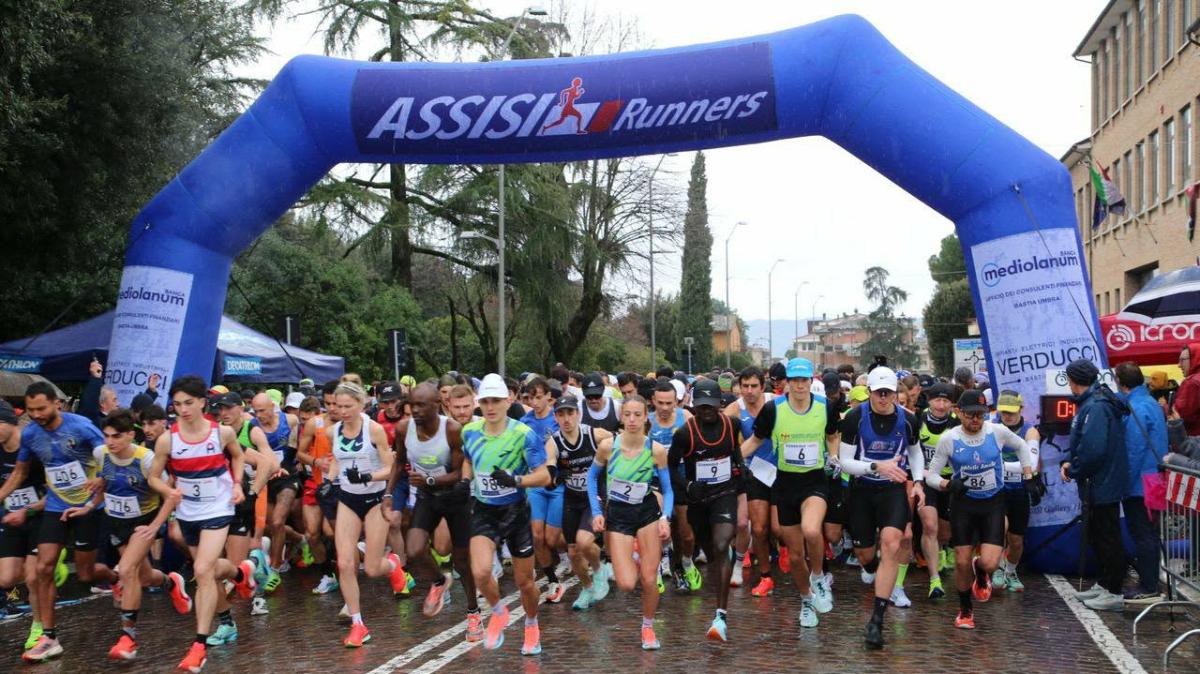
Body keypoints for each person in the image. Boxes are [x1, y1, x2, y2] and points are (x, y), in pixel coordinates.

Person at [148, 375, 257, 673]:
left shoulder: (221, 434)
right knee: (209, 571)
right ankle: (239, 576)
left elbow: (237, 458)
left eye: (189, 403)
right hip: (188, 513)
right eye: (178, 404)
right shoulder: (167, 439)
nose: (183, 409)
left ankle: (198, 645)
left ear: (202, 403)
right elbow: (153, 476)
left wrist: (236, 485)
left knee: (201, 570)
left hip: (219, 507)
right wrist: (167, 490)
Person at [0, 382, 106, 662]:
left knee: (86, 574)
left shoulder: (81, 427)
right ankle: (49, 636)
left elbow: (109, 457)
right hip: (54, 507)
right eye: (31, 409)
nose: (35, 414)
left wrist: (101, 479)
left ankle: (116, 579)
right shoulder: (31, 434)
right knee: (44, 568)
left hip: (87, 506)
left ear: (56, 404)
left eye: (41, 408)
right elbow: (20, 472)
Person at [740, 357, 839, 629]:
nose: (799, 385)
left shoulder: (825, 407)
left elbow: (832, 435)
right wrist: (732, 459)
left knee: (811, 530)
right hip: (785, 485)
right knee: (795, 556)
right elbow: (756, 440)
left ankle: (818, 577)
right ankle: (806, 600)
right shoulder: (773, 409)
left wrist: (833, 456)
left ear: (811, 380)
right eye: (794, 380)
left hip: (815, 482)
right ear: (786, 383)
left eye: (803, 379)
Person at [926, 389, 1035, 631]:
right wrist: (947, 484)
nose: (976, 420)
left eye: (980, 415)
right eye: (970, 415)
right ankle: (965, 610)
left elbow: (1022, 446)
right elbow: (931, 475)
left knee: (990, 562)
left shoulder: (996, 432)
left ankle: (983, 571)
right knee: (962, 562)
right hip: (963, 505)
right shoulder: (949, 439)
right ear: (959, 413)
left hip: (993, 503)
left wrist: (1029, 475)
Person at [461, 373, 551, 655]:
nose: (490, 407)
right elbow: (468, 460)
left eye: (496, 401)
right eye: (485, 401)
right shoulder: (470, 432)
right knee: (480, 571)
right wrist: (466, 482)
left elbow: (545, 476)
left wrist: (516, 480)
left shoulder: (523, 435)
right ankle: (498, 611)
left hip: (516, 512)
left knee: (526, 583)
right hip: (484, 510)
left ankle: (532, 623)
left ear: (508, 400)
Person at [93, 409, 191, 661]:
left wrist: (156, 524)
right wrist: (88, 504)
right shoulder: (100, 453)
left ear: (130, 435)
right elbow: (106, 483)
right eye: (106, 436)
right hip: (117, 522)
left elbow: (171, 494)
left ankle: (128, 638)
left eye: (116, 436)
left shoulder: (146, 458)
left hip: (144, 521)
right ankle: (171, 582)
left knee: (126, 570)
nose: (110, 441)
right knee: (144, 575)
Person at [837, 366, 925, 648]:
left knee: (891, 544)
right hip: (862, 491)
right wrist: (876, 466)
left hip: (892, 492)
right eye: (879, 393)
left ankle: (877, 620)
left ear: (896, 394)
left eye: (888, 393)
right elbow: (845, 462)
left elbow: (915, 452)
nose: (884, 398)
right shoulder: (854, 418)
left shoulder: (909, 420)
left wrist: (919, 481)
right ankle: (872, 568)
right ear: (871, 393)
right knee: (865, 555)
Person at [386, 383, 480, 639]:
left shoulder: (451, 430)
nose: (414, 410)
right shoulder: (404, 429)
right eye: (411, 405)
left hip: (455, 498)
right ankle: (439, 581)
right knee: (414, 549)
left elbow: (459, 474)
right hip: (428, 497)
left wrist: (429, 480)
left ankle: (473, 613)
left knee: (462, 562)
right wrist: (388, 493)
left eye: (420, 405)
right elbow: (399, 462)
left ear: (436, 405)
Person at [322, 381, 407, 647]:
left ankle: (392, 565)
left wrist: (368, 476)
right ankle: (358, 624)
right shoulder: (332, 431)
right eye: (338, 406)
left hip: (374, 500)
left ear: (361, 405)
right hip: (348, 499)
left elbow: (391, 469)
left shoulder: (375, 430)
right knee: (345, 563)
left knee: (371, 568)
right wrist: (330, 479)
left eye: (348, 406)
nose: (343, 411)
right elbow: (336, 458)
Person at [587, 394, 673, 650]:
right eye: (628, 415)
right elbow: (591, 480)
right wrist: (596, 511)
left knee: (649, 579)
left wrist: (665, 518)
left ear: (646, 417)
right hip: (619, 516)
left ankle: (647, 626)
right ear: (621, 417)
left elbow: (668, 490)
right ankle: (634, 555)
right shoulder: (608, 447)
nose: (633, 420)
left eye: (638, 415)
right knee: (626, 584)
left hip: (646, 512)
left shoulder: (654, 450)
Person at [670, 379, 744, 642]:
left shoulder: (731, 425)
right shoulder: (684, 434)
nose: (706, 411)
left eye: (710, 406)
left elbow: (735, 452)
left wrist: (740, 472)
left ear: (719, 405)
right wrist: (688, 485)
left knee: (722, 544)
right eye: (701, 407)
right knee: (712, 553)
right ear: (694, 406)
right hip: (698, 502)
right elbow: (671, 467)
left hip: (725, 494)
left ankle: (720, 616)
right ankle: (724, 559)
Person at [1059, 359, 1130, 612]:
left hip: (1102, 483)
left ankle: (1113, 590)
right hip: (1097, 482)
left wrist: (1074, 468)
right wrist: (1070, 460)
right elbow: (1083, 444)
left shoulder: (1097, 407)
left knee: (1107, 536)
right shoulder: (1090, 404)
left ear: (1074, 380)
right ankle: (1104, 583)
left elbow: (1093, 449)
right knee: (1098, 536)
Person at [550, 393, 612, 610]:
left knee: (585, 541)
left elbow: (621, 445)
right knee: (574, 551)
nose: (566, 419)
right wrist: (554, 476)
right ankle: (587, 588)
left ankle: (598, 568)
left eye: (570, 413)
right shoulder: (554, 442)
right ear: (556, 417)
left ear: (578, 414)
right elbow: (548, 464)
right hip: (572, 498)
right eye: (561, 414)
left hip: (593, 497)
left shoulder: (595, 435)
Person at [1113, 361, 1167, 604]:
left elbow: (1133, 450)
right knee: (1150, 533)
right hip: (1155, 479)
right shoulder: (1151, 402)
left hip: (1140, 483)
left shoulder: (1136, 407)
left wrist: (1123, 483)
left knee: (1143, 533)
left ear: (1121, 384)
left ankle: (1149, 586)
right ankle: (1150, 581)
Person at [518, 376, 568, 603]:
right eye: (531, 398)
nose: (535, 402)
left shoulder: (559, 419)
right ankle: (552, 580)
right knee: (537, 536)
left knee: (552, 538)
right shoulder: (524, 422)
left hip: (557, 486)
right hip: (536, 486)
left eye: (539, 397)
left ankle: (573, 552)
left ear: (549, 396)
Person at [723, 366, 773, 593]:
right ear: (739, 388)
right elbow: (721, 436)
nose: (750, 391)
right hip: (753, 472)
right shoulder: (735, 409)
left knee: (780, 530)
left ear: (763, 387)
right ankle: (761, 573)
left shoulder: (776, 404)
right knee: (758, 528)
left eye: (754, 386)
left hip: (782, 471)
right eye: (745, 386)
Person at [0, 399, 45, 647]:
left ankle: (39, 626)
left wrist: (28, 511)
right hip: (12, 518)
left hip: (40, 517)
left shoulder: (33, 449)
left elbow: (57, 493)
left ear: (8, 423)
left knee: (32, 578)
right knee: (6, 579)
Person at [990, 391, 1042, 593]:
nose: (1008, 416)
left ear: (1021, 409)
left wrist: (1000, 465)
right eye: (1004, 412)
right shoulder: (991, 427)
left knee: (1016, 540)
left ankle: (1011, 571)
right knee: (999, 529)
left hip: (1019, 490)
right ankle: (997, 568)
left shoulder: (1030, 432)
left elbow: (1032, 464)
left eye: (1012, 412)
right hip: (996, 490)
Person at [249, 392, 301, 593]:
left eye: (263, 410)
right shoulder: (252, 426)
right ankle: (300, 540)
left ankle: (275, 568)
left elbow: (296, 445)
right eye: (256, 411)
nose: (259, 414)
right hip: (266, 479)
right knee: (271, 526)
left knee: (278, 521)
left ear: (273, 407)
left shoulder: (290, 420)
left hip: (287, 475)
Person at [915, 383, 958, 597]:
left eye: (946, 401)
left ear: (952, 403)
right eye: (937, 400)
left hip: (949, 481)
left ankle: (942, 547)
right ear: (929, 400)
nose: (941, 405)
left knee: (945, 531)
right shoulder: (917, 419)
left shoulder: (958, 423)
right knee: (929, 526)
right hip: (925, 479)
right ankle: (935, 581)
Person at [650, 378, 694, 592]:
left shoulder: (685, 417)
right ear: (653, 401)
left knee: (686, 535)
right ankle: (663, 564)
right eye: (661, 403)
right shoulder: (647, 422)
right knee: (661, 525)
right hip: (657, 481)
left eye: (670, 403)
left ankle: (685, 562)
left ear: (676, 402)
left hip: (681, 479)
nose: (666, 408)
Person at [297, 383, 340, 596]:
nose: (332, 408)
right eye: (328, 403)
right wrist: (316, 461)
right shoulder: (315, 424)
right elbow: (300, 453)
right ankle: (327, 574)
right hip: (316, 484)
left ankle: (344, 568)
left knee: (331, 531)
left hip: (341, 487)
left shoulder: (352, 423)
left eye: (336, 403)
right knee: (312, 533)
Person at [1172, 344, 1200, 435]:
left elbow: (1180, 415)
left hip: (1194, 440)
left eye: (1182, 360)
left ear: (1195, 358)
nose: (1179, 365)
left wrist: (1167, 408)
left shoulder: (1191, 383)